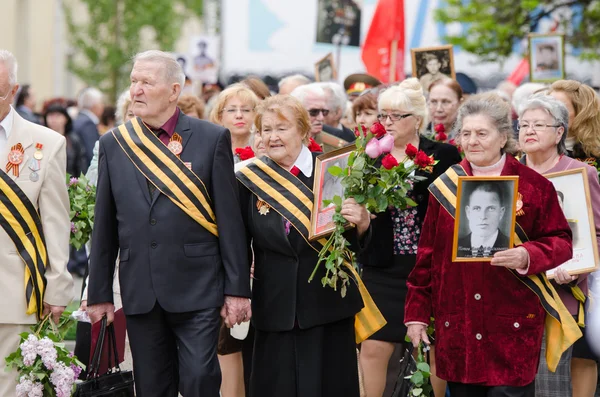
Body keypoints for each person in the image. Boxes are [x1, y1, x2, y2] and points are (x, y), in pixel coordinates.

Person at [86, 50, 251, 397]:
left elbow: (230, 221)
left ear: (174, 91)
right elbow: (104, 227)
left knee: (199, 379)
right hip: (141, 288)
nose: (137, 91)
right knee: (151, 387)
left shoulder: (210, 138)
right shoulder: (114, 144)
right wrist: (98, 292)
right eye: (134, 82)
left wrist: (237, 289)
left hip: (199, 285)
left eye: (147, 82)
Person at [405, 93, 578, 397]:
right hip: (458, 324)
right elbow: (427, 257)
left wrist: (528, 254)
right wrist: (417, 315)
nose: (472, 141)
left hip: (511, 325)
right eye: (466, 134)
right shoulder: (444, 186)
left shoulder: (535, 186)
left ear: (502, 137)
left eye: (482, 133)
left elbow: (561, 242)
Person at [236, 94, 371, 397]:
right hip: (274, 306)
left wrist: (362, 224)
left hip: (328, 305)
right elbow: (239, 244)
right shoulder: (248, 178)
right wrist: (237, 293)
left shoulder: (338, 169)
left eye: (281, 128)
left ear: (303, 132)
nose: (272, 137)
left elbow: (355, 245)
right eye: (265, 129)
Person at [359, 78, 461, 397]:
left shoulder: (443, 155)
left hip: (429, 268)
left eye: (395, 116)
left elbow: (454, 207)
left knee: (432, 350)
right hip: (382, 267)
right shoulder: (370, 158)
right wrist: (362, 221)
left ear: (416, 119)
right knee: (373, 346)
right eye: (383, 116)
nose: (386, 123)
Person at [0, 49, 73, 395]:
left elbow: (56, 222)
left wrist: (57, 286)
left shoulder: (46, 143)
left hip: (16, 292)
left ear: (13, 91)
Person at [517, 94, 600, 397]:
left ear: (560, 132)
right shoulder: (507, 173)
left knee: (554, 380)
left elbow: (597, 235)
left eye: (538, 124)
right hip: (514, 291)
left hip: (564, 291)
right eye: (523, 124)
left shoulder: (580, 173)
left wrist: (576, 269)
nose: (529, 130)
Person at [547, 80, 600, 170]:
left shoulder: (595, 153)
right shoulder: (535, 151)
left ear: (582, 113)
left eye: (560, 108)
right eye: (547, 107)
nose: (550, 113)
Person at [456, 182, 511, 258]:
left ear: (501, 213)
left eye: (491, 208)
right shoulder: (456, 245)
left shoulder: (511, 246)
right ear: (468, 212)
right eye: (477, 208)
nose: (483, 216)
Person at [209, 83, 260, 163]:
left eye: (246, 110)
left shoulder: (263, 149)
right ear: (220, 117)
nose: (239, 115)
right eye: (231, 110)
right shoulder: (211, 150)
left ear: (255, 115)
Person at [291, 84, 347, 152]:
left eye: (324, 111)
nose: (321, 118)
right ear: (296, 112)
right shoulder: (280, 144)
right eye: (314, 112)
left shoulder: (337, 148)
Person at [72, 87, 105, 170]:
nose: (103, 106)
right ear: (94, 105)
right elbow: (92, 154)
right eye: (101, 103)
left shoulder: (78, 119)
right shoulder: (88, 124)